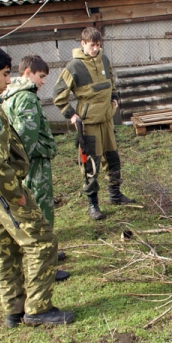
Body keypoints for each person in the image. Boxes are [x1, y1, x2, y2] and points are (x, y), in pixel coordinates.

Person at [0, 46, 74, 327]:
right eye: (5, 74)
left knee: (5, 246)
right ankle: (38, 309)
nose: (9, 80)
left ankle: (14, 309)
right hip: (1, 188)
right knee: (42, 241)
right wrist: (15, 194)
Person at [53, 27, 135, 221]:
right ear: (82, 44)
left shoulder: (104, 60)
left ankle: (115, 194)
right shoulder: (74, 67)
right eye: (92, 45)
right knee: (91, 164)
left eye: (98, 45)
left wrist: (114, 97)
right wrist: (71, 115)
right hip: (89, 123)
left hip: (107, 120)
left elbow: (111, 81)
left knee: (113, 158)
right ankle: (93, 204)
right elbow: (58, 94)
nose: (95, 49)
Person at [2, 55, 70, 282]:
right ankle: (46, 262)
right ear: (28, 72)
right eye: (41, 77)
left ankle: (44, 255)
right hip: (34, 162)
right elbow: (26, 135)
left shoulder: (8, 95)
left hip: (27, 163)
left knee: (32, 209)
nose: (42, 82)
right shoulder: (26, 98)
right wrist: (25, 164)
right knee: (41, 209)